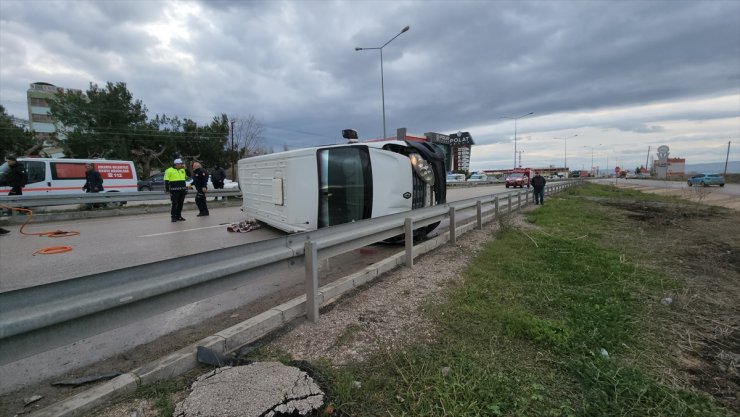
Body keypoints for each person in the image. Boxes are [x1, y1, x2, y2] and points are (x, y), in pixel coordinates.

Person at [0, 155, 27, 235]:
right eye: (7, 161)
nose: (8, 163)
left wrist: (22, 184)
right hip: (13, 185)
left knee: (11, 198)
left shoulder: (19, 167)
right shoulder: (11, 166)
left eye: (9, 161)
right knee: (15, 199)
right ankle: (20, 210)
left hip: (17, 186)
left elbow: (24, 176)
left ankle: (11, 211)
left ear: (13, 160)